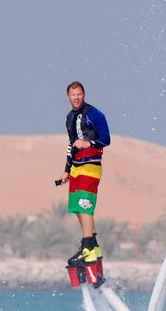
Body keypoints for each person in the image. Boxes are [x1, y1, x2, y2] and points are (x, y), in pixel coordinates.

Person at [58, 81, 110, 265]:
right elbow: (70, 144)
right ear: (68, 97)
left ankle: (87, 248)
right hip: (76, 168)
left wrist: (89, 143)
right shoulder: (69, 118)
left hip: (91, 167)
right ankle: (93, 245)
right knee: (77, 209)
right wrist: (66, 170)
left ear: (84, 94)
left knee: (84, 205)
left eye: (79, 94)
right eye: (73, 95)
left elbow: (106, 138)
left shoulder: (94, 114)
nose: (77, 97)